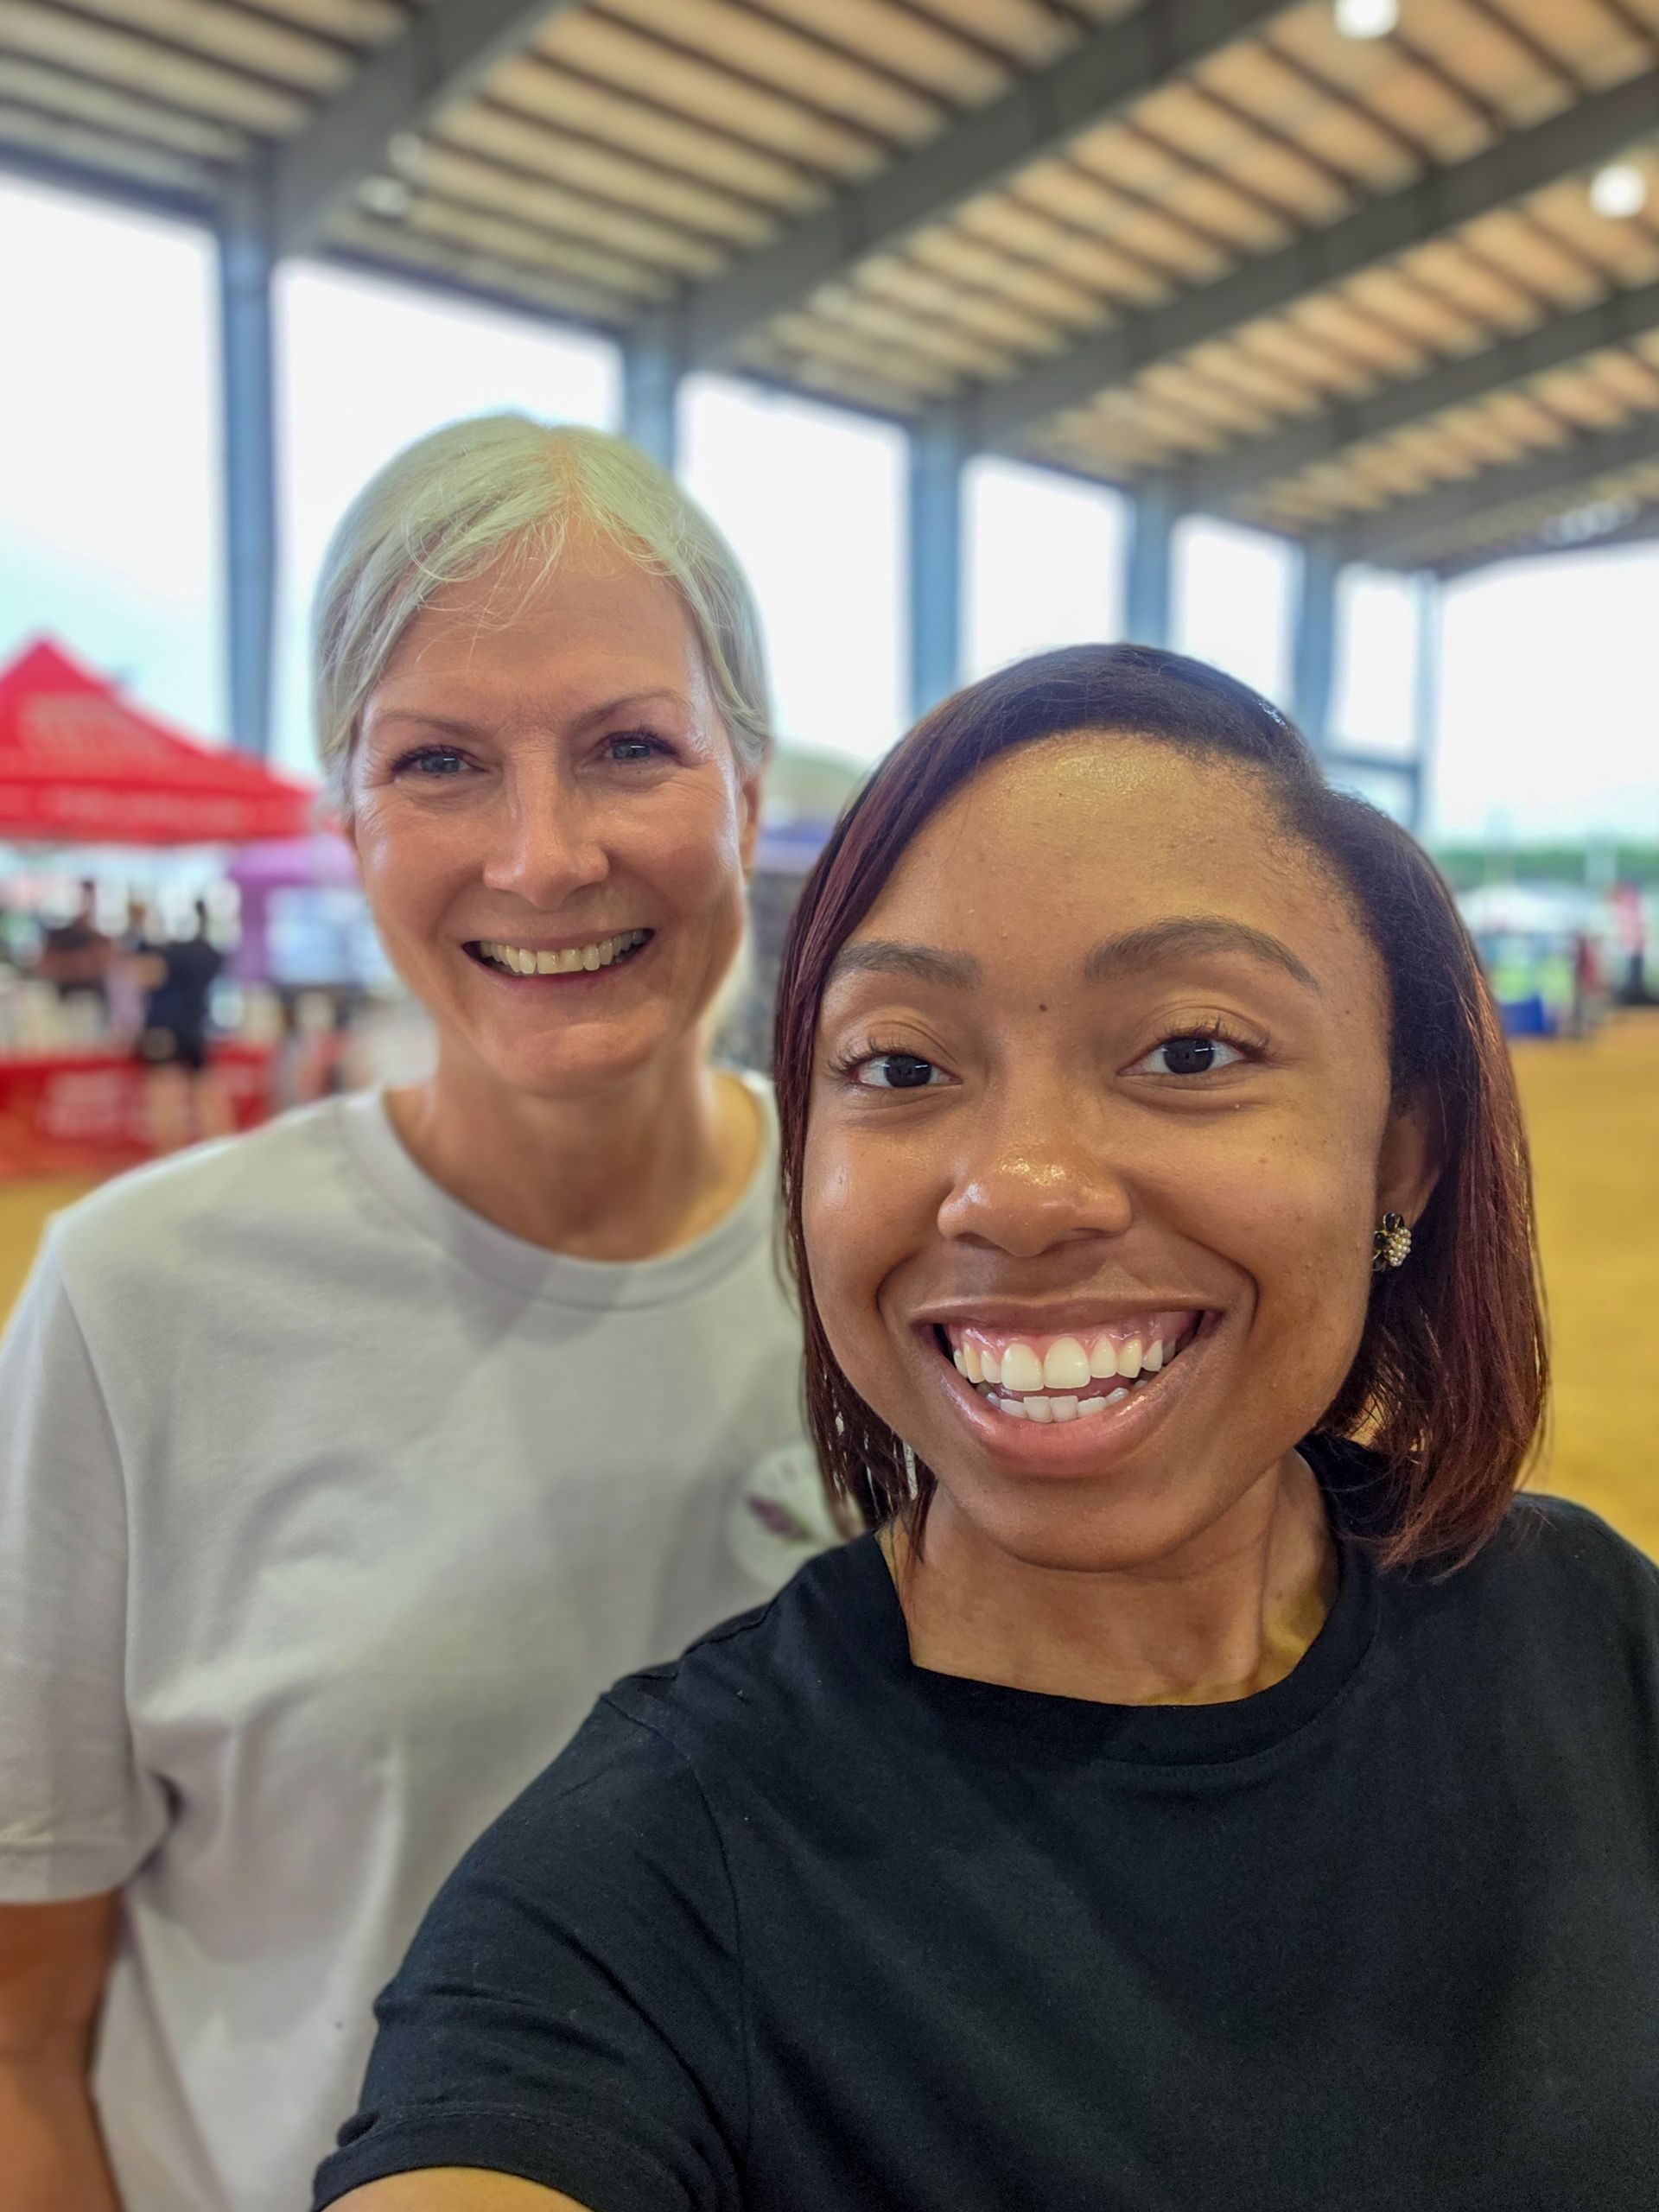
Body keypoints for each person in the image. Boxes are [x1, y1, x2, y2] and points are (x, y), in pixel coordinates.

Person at [316, 645, 1659, 2212]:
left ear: (1403, 1154)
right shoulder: (644, 1885)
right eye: (899, 1065)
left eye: (1192, 1051)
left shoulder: (1589, 1636)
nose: (1019, 1194)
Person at [0, 417, 828, 2212]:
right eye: (439, 762)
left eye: (629, 747)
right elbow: (18, 2038)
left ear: (747, 793)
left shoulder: (897, 1266)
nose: (541, 855)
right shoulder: (141, 1306)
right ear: (349, 819)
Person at [135, 899, 232, 1151]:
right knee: (204, 1087)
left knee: (166, 1094)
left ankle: (171, 1155)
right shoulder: (210, 952)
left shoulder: (169, 953)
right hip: (194, 1026)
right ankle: (221, 1149)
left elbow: (147, 977)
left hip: (163, 1029)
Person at [35, 877, 111, 1014]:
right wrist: (80, 963)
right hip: (65, 1003)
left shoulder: (101, 938)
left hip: (94, 1005)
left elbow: (107, 965)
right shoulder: (59, 935)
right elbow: (45, 965)